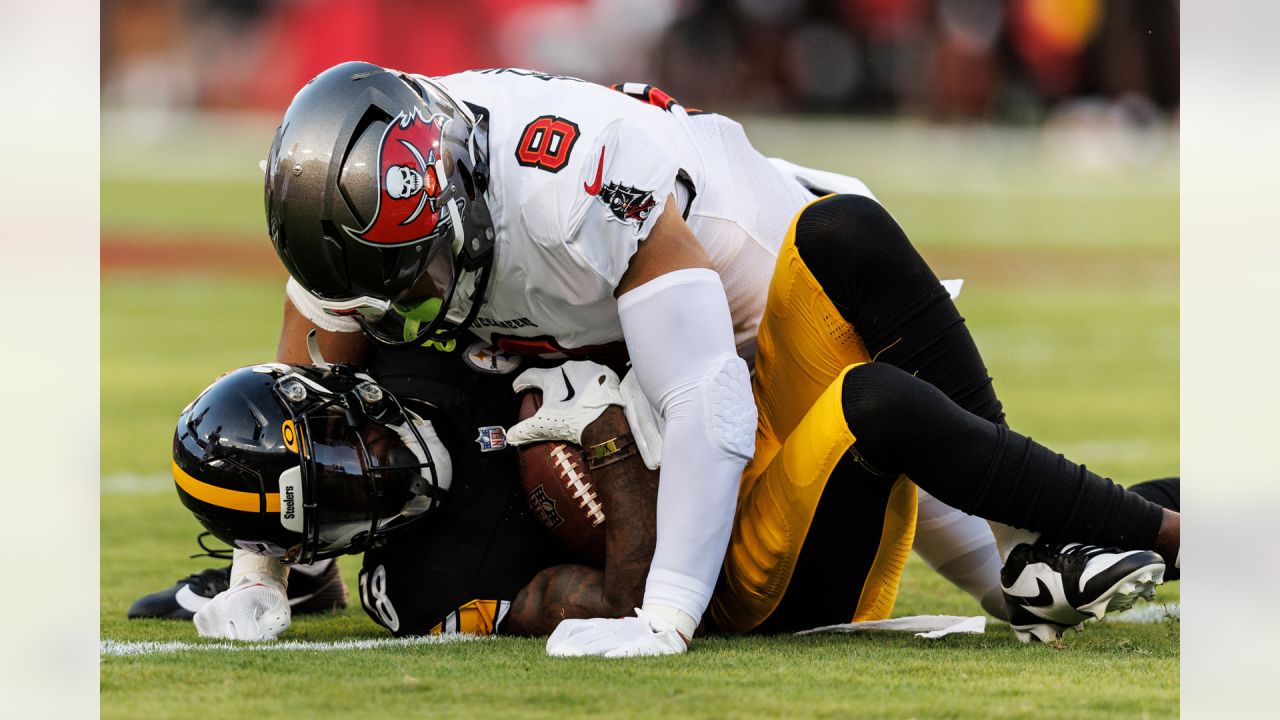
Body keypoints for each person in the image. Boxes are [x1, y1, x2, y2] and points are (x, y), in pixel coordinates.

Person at [250, 61, 1178, 654]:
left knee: (856, 266)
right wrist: (270, 566)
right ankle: (1061, 551)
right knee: (902, 429)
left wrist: (669, 614)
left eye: (430, 265)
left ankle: (1045, 549)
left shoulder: (571, 192)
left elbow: (707, 392)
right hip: (725, 472)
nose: (427, 298)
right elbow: (299, 388)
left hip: (764, 301)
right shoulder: (373, 198)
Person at [164, 351, 1178, 644]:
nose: (369, 470)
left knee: (844, 246)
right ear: (316, 543)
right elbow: (619, 605)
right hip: (750, 582)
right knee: (875, 406)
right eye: (336, 494)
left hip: (738, 453)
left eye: (346, 441)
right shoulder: (418, 586)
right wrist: (604, 442)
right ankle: (1057, 561)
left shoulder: (413, 359)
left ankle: (1164, 533)